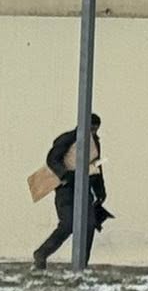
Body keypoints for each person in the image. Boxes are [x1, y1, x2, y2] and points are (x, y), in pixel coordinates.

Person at [33, 114, 110, 269]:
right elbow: (52, 159)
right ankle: (41, 254)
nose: (93, 132)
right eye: (91, 128)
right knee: (67, 224)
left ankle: (82, 264)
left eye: (96, 129)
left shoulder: (94, 143)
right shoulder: (68, 139)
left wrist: (100, 190)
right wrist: (64, 175)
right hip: (66, 189)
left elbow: (96, 166)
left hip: (85, 188)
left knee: (89, 225)